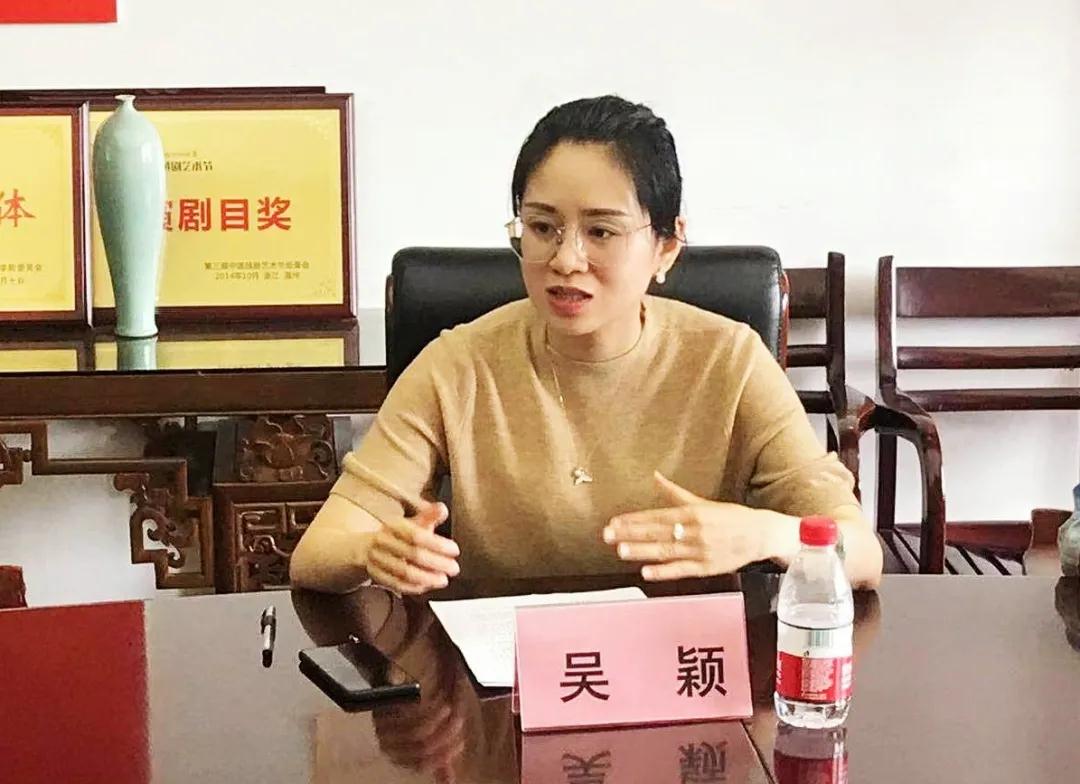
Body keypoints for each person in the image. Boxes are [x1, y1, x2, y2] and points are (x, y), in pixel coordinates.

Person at [290, 95, 883, 595]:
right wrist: (373, 550)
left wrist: (767, 535)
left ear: (667, 246)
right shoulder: (458, 365)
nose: (566, 260)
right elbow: (317, 552)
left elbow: (861, 554)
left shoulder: (729, 361)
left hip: (680, 669)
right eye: (542, 228)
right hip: (504, 677)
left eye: (601, 231)